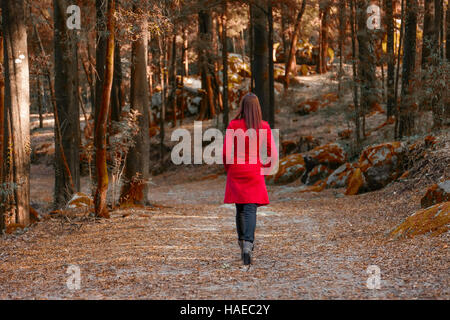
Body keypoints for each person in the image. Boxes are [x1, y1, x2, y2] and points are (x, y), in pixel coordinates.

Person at [222, 93, 277, 265]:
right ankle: (248, 244)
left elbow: (225, 153)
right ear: (257, 108)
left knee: (240, 208)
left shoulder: (233, 125)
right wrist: (266, 171)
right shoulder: (264, 127)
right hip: (254, 171)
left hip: (237, 170)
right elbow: (273, 154)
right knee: (250, 209)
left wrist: (229, 168)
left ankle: (241, 242)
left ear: (242, 107)